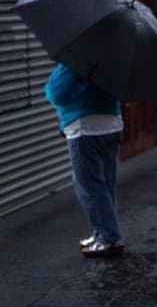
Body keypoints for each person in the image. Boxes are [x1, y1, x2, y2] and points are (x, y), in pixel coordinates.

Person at [45, 63, 125, 258]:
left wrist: (54, 79)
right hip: (112, 124)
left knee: (89, 187)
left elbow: (56, 93)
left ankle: (109, 238)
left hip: (85, 128)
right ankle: (102, 233)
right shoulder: (112, 59)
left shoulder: (77, 60)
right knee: (105, 186)